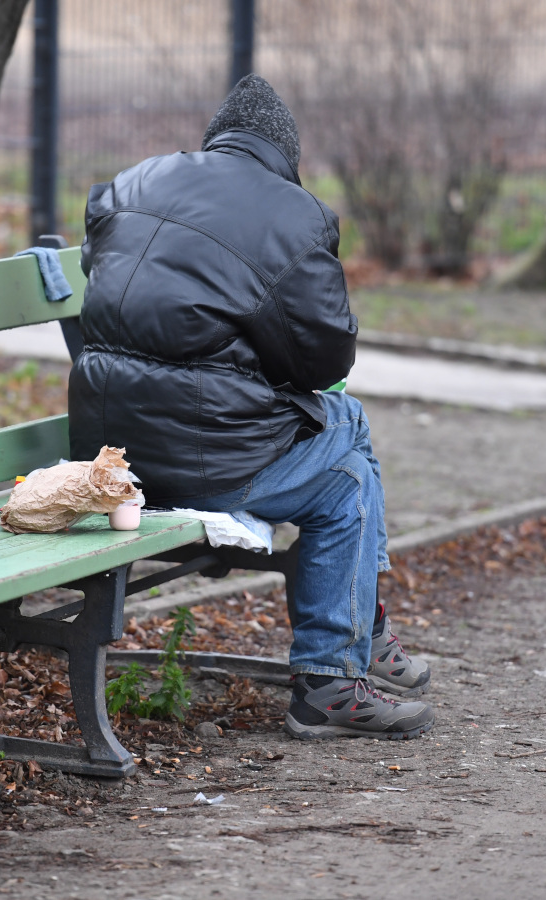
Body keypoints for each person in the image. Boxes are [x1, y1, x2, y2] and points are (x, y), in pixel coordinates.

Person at [68, 75, 434, 741]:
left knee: (345, 451)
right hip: (208, 462)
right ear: (284, 155)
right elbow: (326, 364)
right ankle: (338, 666)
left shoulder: (130, 183)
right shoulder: (296, 216)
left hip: (108, 454)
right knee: (347, 448)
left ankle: (362, 634)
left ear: (216, 140)